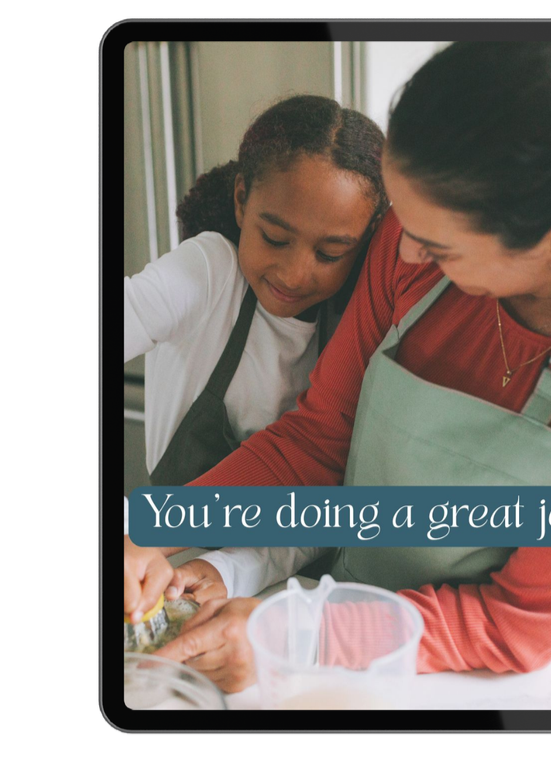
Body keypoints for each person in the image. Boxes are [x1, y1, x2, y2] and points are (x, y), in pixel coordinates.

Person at [143, 42, 551, 693]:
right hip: (344, 594)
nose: (408, 251)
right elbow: (319, 438)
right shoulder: (406, 244)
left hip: (502, 669)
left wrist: (304, 634)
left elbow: (518, 624)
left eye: (439, 245)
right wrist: (150, 527)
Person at [120, 95, 387, 621]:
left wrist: (231, 569)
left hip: (261, 585)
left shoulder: (354, 333)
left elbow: (315, 508)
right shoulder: (208, 273)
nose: (294, 273)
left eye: (330, 254)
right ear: (242, 198)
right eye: (275, 238)